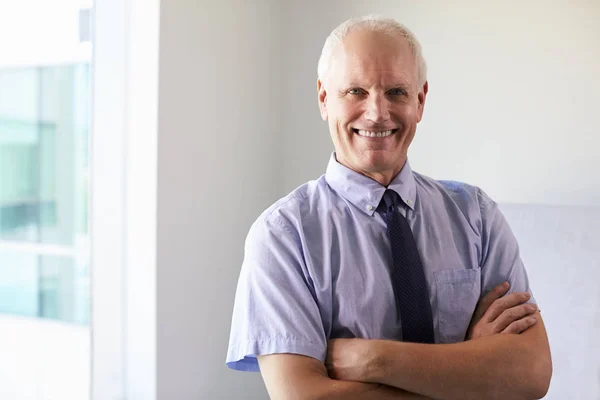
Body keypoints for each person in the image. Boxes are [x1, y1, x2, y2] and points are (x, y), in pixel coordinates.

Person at [226, 15, 552, 399]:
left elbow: (530, 374)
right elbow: (303, 396)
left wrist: (371, 359)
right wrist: (469, 369)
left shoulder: (476, 216)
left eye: (396, 91)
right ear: (323, 98)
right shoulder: (283, 236)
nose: (377, 112)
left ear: (420, 100)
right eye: (355, 91)